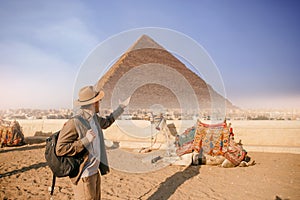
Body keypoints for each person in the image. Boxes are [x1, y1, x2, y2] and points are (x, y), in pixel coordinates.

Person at [56, 85, 130, 200]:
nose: (100, 102)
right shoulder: (75, 122)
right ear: (94, 103)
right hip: (84, 175)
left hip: (94, 172)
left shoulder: (94, 118)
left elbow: (107, 122)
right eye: (98, 101)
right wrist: (85, 140)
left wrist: (121, 108)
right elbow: (60, 149)